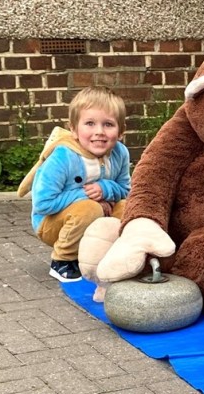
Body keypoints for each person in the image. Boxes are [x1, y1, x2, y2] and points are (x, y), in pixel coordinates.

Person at [22, 86, 132, 283]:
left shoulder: (120, 153)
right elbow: (43, 203)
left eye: (108, 124)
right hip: (50, 223)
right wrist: (89, 198)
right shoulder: (63, 156)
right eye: (89, 123)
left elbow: (125, 190)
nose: (99, 132)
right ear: (73, 129)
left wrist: (106, 189)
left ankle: (111, 255)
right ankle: (63, 260)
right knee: (88, 209)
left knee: (128, 208)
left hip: (98, 215)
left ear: (121, 131)